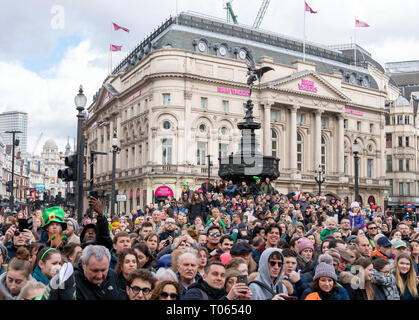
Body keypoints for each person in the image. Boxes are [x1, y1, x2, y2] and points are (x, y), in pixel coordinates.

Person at [184, 261, 251, 300]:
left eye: (222, 275)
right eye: (215, 274)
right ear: (204, 277)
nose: (219, 278)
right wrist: (228, 299)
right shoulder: (193, 293)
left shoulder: (225, 294)